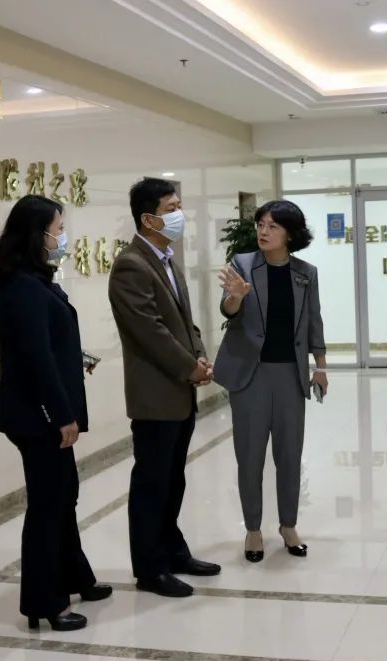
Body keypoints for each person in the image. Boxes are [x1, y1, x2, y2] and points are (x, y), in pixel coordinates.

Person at [0, 195, 112, 631]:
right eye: (59, 229)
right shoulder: (21, 287)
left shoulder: (36, 280)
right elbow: (35, 360)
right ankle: (45, 602)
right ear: (37, 235)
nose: (63, 237)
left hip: (44, 411)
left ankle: (75, 577)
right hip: (37, 416)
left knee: (64, 496)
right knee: (47, 505)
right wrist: (61, 415)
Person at [108, 178, 220, 598]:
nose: (179, 214)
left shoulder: (167, 259)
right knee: (152, 484)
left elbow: (183, 322)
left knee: (173, 480)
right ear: (148, 218)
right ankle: (150, 568)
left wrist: (199, 356)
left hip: (179, 391)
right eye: (171, 208)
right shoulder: (131, 266)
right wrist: (190, 368)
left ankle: (173, 552)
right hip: (155, 396)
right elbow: (150, 332)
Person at [213, 200, 327, 562]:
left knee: (289, 455)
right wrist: (235, 297)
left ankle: (288, 525)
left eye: (273, 226)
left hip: (290, 374)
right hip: (251, 374)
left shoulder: (306, 273)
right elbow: (228, 309)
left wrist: (320, 366)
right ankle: (252, 529)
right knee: (249, 456)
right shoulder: (243, 264)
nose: (263, 231)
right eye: (261, 224)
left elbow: (313, 320)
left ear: (290, 234)